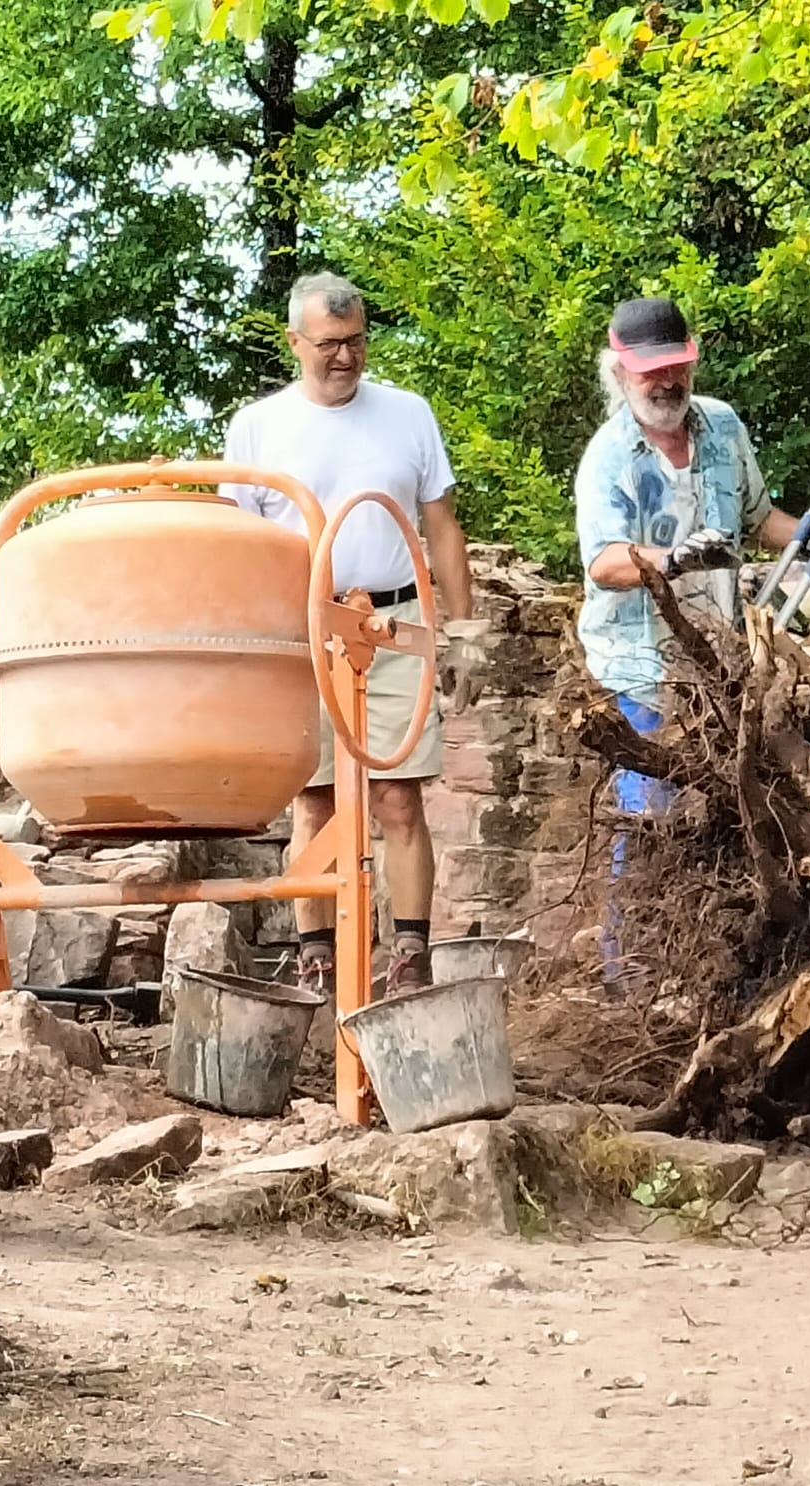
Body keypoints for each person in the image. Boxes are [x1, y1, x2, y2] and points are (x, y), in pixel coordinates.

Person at [221, 271, 474, 995]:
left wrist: (464, 631)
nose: (346, 356)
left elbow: (442, 528)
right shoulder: (258, 426)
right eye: (330, 343)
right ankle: (319, 956)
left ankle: (410, 954)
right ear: (295, 342)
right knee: (316, 799)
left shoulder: (407, 413)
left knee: (398, 796)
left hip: (393, 622)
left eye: (357, 340)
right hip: (303, 628)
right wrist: (250, 651)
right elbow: (238, 545)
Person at [573, 296, 801, 979]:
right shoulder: (608, 457)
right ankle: (630, 972)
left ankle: (711, 967)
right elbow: (603, 563)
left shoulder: (722, 426)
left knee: (731, 813)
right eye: (651, 372)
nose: (666, 382)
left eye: (676, 367)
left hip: (719, 663)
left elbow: (760, 519)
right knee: (650, 816)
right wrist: (671, 560)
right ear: (619, 372)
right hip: (641, 667)